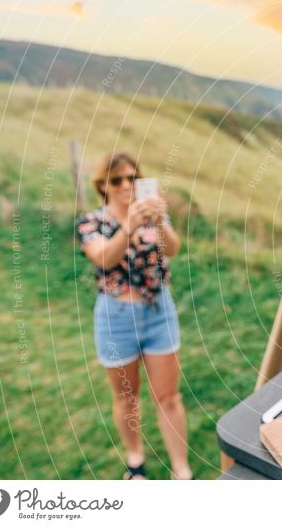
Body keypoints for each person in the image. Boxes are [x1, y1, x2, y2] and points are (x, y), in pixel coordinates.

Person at [76, 153, 193, 480]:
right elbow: (102, 258)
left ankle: (182, 471)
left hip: (158, 312)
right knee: (126, 398)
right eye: (117, 180)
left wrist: (156, 221)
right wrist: (129, 225)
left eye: (132, 177)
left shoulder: (152, 211)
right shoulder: (91, 222)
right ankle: (136, 461)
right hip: (116, 318)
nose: (126, 185)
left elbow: (172, 249)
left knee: (169, 397)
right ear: (103, 186)